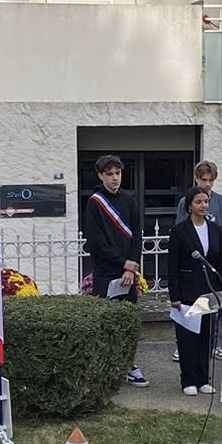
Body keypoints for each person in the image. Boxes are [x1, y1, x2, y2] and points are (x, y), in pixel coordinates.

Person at [81, 154, 148, 387]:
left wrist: (132, 264)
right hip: (106, 272)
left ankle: (129, 364)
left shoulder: (129, 200)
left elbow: (137, 234)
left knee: (128, 321)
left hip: (128, 272)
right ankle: (107, 368)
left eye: (118, 173)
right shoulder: (95, 203)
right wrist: (122, 263)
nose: (115, 178)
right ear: (101, 175)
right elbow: (96, 242)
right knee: (107, 322)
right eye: (109, 174)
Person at [165, 186, 222, 396]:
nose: (203, 205)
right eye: (199, 202)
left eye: (206, 201)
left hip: (208, 291)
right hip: (187, 291)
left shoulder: (215, 230)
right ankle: (188, 379)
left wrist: (221, 291)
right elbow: (172, 265)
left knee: (205, 337)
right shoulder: (180, 231)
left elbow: (219, 262)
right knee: (188, 337)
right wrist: (175, 295)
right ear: (189, 206)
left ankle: (203, 378)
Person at [173, 159, 222, 234]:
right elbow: (179, 230)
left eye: (211, 180)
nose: (207, 184)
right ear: (196, 178)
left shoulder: (221, 202)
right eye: (204, 180)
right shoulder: (185, 202)